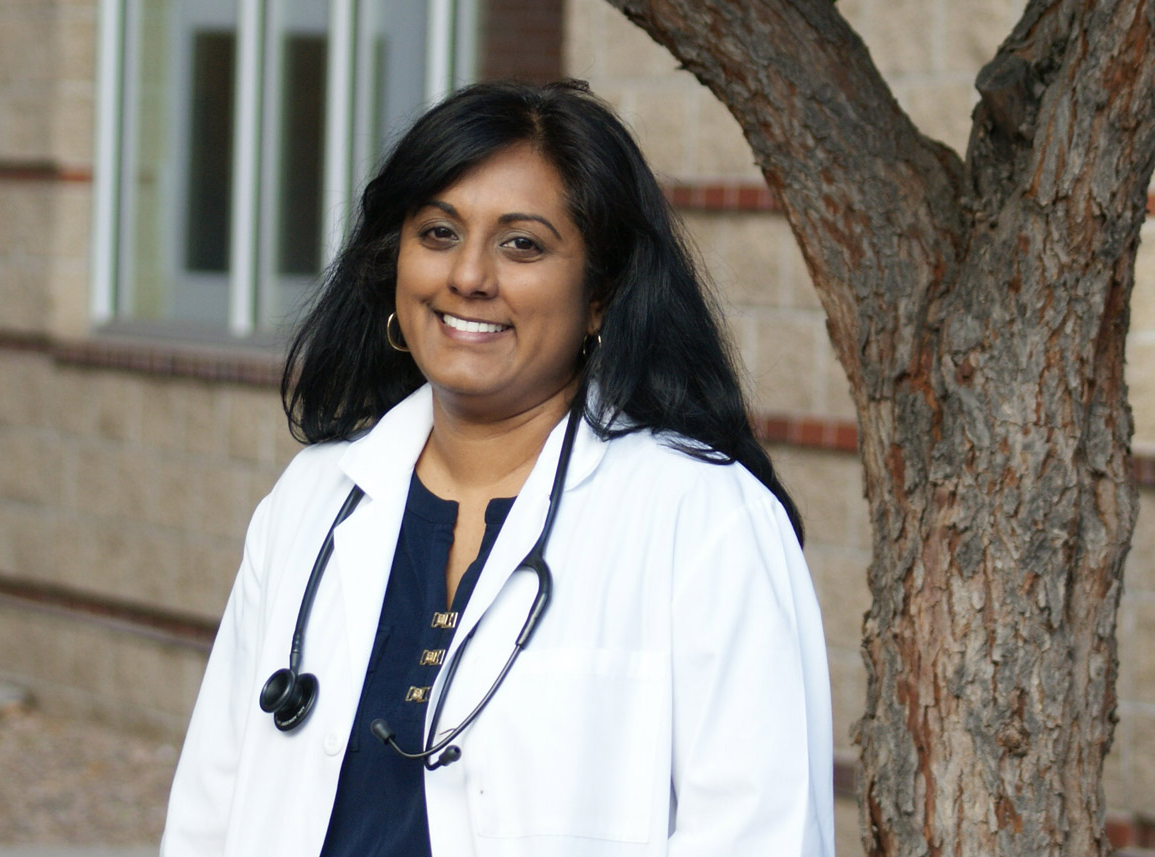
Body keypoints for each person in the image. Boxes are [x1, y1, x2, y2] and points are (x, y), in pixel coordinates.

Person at [161, 79, 834, 857]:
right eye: (439, 233)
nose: (469, 276)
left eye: (523, 244)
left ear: (600, 295)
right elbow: (212, 804)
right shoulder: (314, 500)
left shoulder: (703, 516)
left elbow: (760, 834)